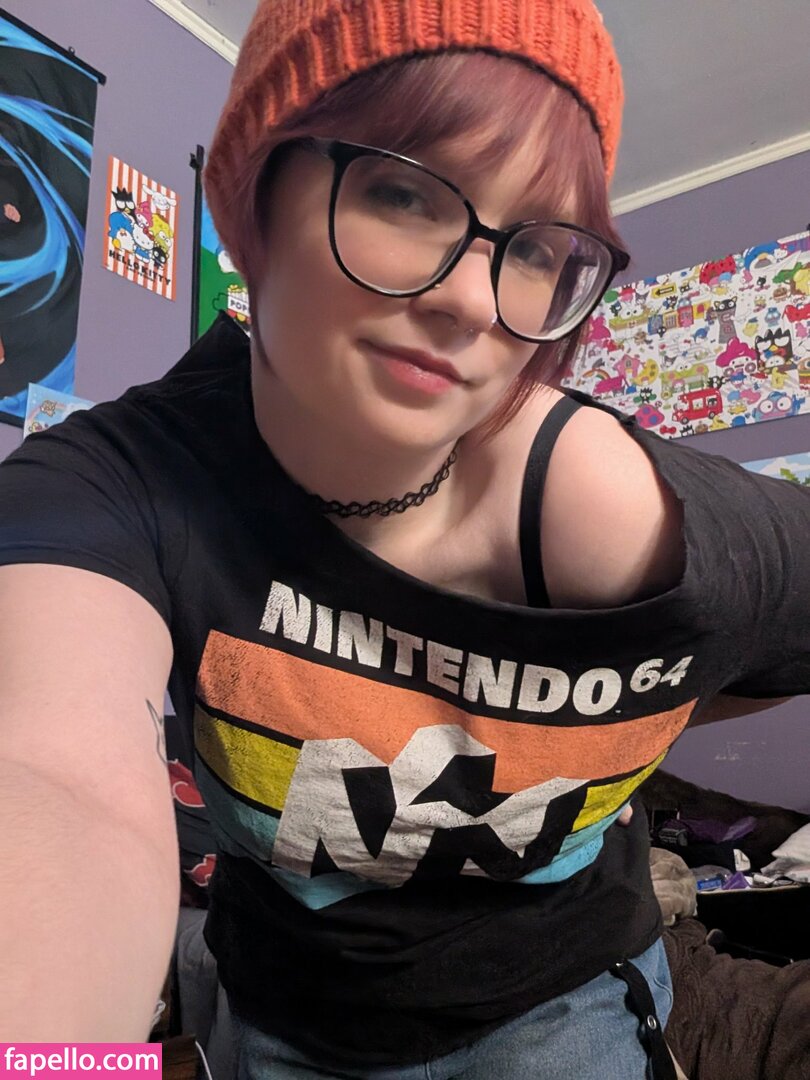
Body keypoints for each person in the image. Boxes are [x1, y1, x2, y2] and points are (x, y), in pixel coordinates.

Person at [1, 0, 807, 1076]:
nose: (474, 302)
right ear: (253, 198)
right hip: (282, 1012)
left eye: (536, 248)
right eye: (402, 193)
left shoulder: (605, 509)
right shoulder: (114, 487)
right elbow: (55, 783)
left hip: (553, 1004)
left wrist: (636, 696)